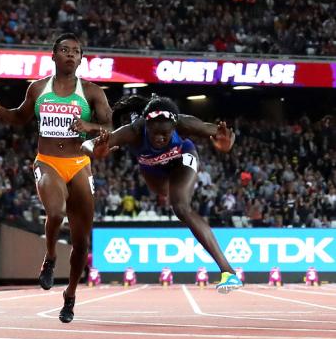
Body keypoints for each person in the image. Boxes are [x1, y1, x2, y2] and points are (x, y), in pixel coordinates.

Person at [0, 33, 113, 323]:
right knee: (55, 211)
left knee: (81, 243)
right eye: (64, 50)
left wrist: (89, 125)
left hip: (79, 164)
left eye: (76, 52)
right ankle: (51, 256)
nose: (70, 55)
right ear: (53, 56)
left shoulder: (91, 92)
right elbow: (20, 117)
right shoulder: (38, 88)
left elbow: (109, 126)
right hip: (48, 162)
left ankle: (70, 296)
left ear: (81, 59)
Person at [81, 94, 243, 293]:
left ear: (174, 128)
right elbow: (87, 145)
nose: (159, 138)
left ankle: (228, 273)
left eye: (165, 135)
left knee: (181, 208)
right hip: (152, 167)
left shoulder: (185, 123)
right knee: (161, 192)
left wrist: (227, 144)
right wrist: (95, 151)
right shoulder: (133, 131)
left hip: (182, 158)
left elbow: (224, 133)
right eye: (155, 133)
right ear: (146, 126)